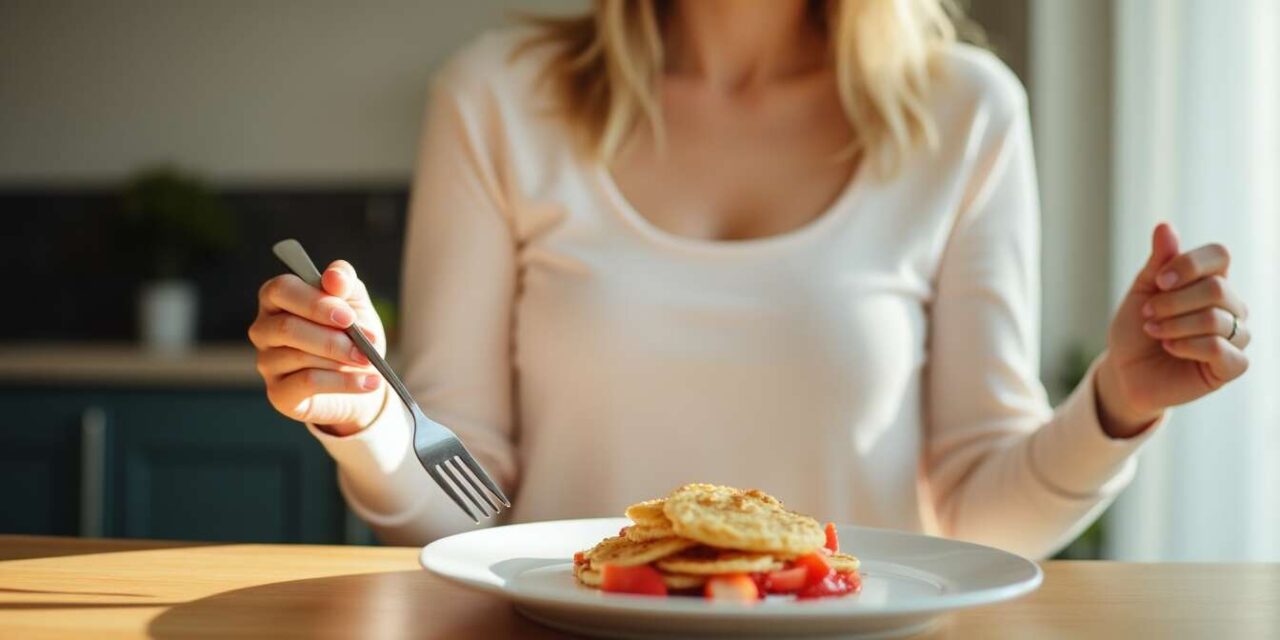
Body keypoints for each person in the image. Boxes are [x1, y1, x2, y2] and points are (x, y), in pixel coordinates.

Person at [247, 0, 1251, 557]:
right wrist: (369, 417)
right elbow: (465, 505)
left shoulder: (964, 111)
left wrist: (1116, 402)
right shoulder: (495, 97)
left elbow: (977, 515)